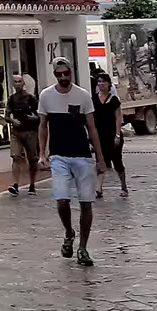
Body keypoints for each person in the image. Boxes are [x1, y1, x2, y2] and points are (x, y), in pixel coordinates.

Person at [39, 56, 107, 266]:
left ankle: (83, 248)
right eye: (59, 75)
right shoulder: (46, 96)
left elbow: (92, 128)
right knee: (62, 199)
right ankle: (69, 232)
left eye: (66, 73)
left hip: (82, 157)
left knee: (86, 203)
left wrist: (100, 158)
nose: (63, 78)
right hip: (59, 156)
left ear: (71, 72)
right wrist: (43, 153)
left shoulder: (83, 96)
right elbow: (43, 126)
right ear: (54, 75)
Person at [5, 72, 41, 196]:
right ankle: (15, 184)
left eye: (19, 81)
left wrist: (34, 118)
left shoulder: (30, 98)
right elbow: (6, 116)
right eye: (15, 82)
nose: (17, 84)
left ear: (23, 83)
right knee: (15, 157)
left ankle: (32, 184)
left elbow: (40, 116)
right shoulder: (11, 99)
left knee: (32, 159)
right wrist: (12, 120)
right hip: (16, 132)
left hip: (30, 132)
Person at [93, 72, 128, 197]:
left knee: (117, 161)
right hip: (100, 135)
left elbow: (118, 117)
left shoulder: (114, 100)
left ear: (108, 84)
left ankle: (124, 187)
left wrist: (118, 135)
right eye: (99, 81)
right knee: (100, 160)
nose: (101, 84)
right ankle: (99, 188)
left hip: (112, 134)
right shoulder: (94, 99)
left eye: (103, 81)